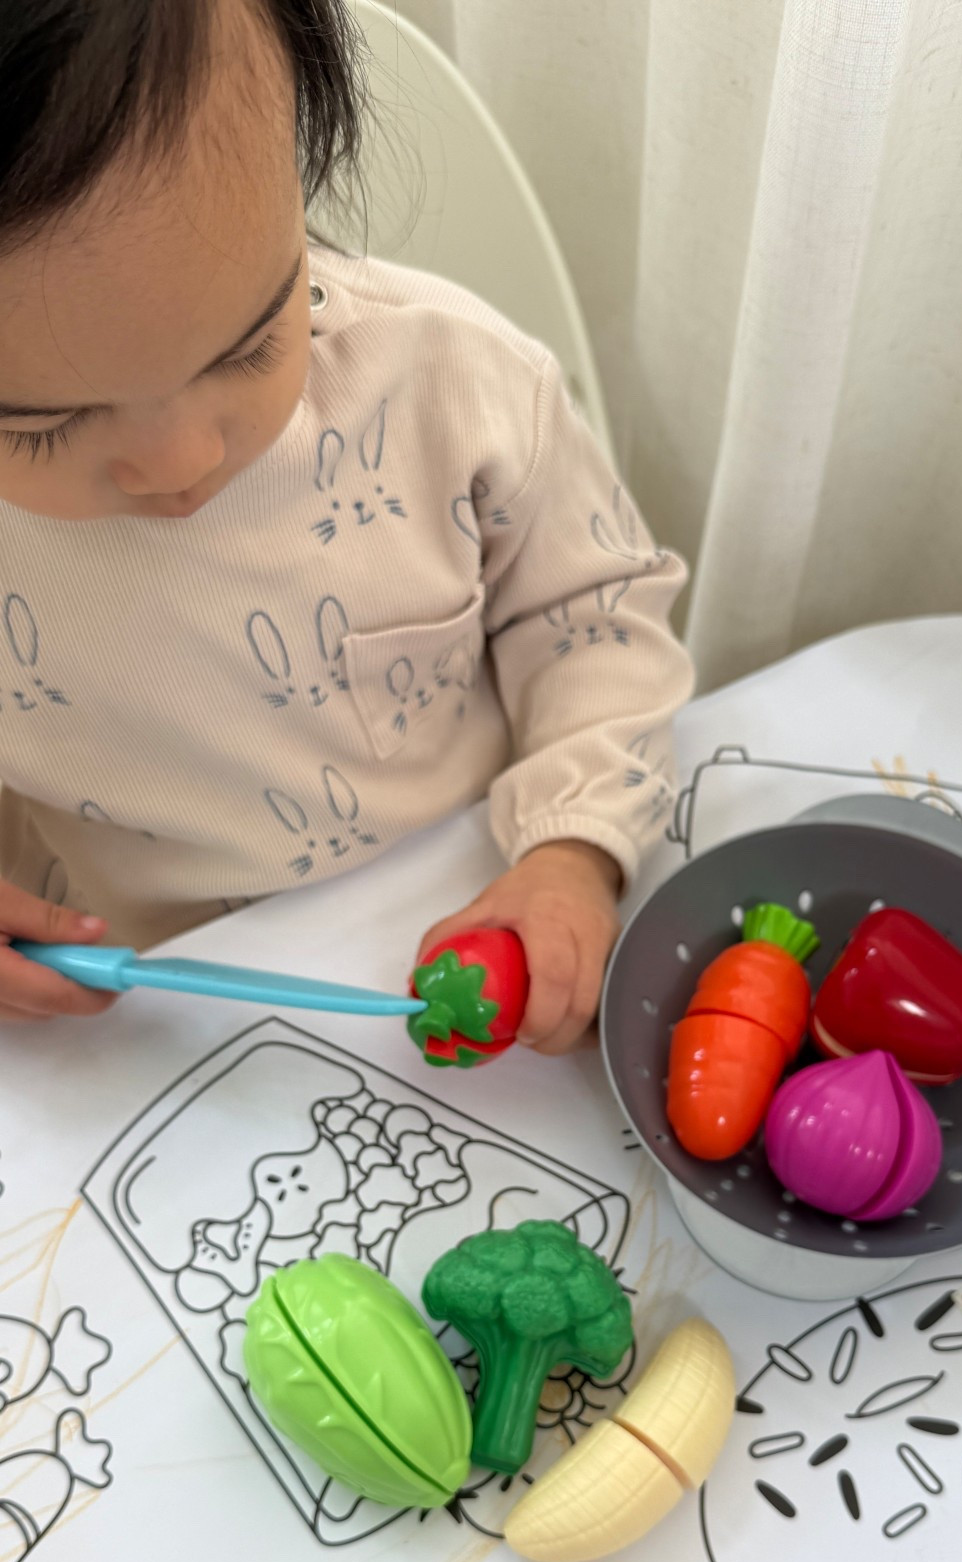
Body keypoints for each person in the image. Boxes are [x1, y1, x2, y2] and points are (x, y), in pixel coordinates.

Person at [0, 0, 692, 1050]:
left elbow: (597, 615)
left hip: (477, 905)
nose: (184, 463)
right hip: (147, 1013)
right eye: (43, 424)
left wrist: (574, 850)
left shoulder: (451, 384)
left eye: (247, 344)